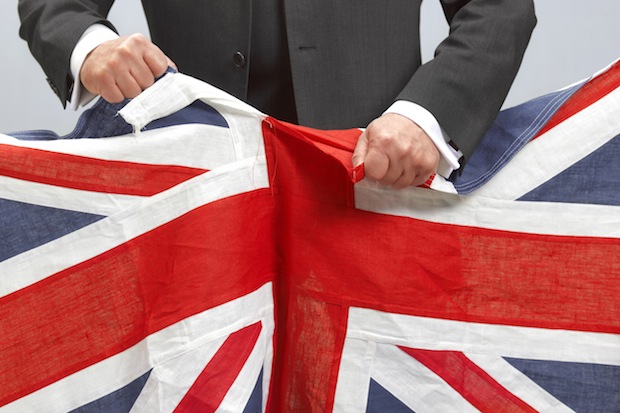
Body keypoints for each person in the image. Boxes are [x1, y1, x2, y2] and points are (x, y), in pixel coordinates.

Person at [18, 0, 536, 188]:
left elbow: (499, 8)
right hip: (195, 200)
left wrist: (427, 117)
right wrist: (91, 46)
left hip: (377, 189)